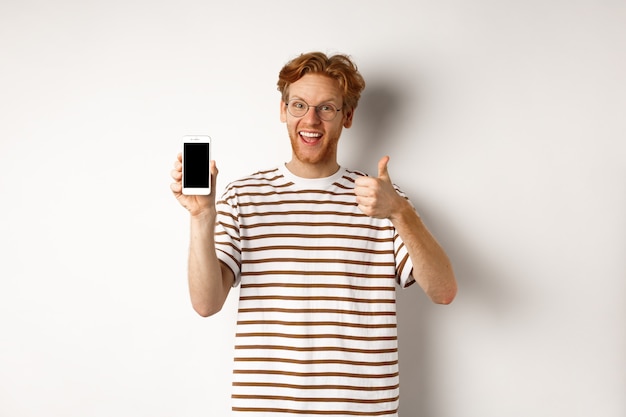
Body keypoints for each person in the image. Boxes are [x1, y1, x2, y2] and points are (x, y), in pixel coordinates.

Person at [170, 51, 457, 416]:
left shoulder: (381, 200)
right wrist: (201, 215)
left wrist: (401, 213)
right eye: (299, 105)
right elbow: (206, 304)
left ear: (347, 116)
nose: (311, 120)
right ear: (282, 110)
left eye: (326, 108)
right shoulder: (243, 197)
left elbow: (444, 291)